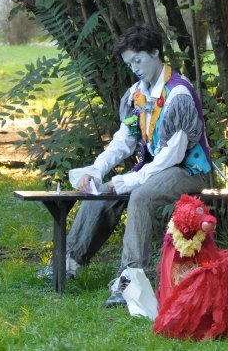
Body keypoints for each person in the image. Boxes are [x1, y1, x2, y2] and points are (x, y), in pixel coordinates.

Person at [38, 24, 212, 307]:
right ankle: (68, 263)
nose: (135, 68)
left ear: (155, 52)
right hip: (154, 168)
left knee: (140, 196)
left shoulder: (179, 93)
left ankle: (131, 279)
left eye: (138, 60)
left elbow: (173, 155)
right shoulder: (137, 93)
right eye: (130, 63)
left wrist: (130, 181)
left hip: (188, 171)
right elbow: (125, 139)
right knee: (104, 191)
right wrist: (97, 169)